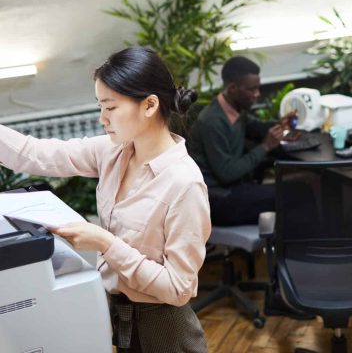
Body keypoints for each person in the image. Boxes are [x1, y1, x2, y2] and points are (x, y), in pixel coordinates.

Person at [0, 46, 211, 353]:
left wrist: (106, 243)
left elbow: (178, 289)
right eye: (100, 106)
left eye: (110, 108)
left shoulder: (184, 183)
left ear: (150, 105)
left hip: (164, 328)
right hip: (116, 313)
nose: (102, 118)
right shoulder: (113, 152)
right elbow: (35, 154)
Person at [188, 56, 293, 226]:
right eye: (252, 90)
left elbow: (255, 126)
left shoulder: (234, 108)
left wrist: (280, 125)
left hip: (234, 190)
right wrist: (265, 146)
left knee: (299, 190)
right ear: (232, 88)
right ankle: (296, 250)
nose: (257, 94)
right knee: (293, 196)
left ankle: (291, 247)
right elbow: (227, 173)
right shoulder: (212, 121)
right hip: (219, 201)